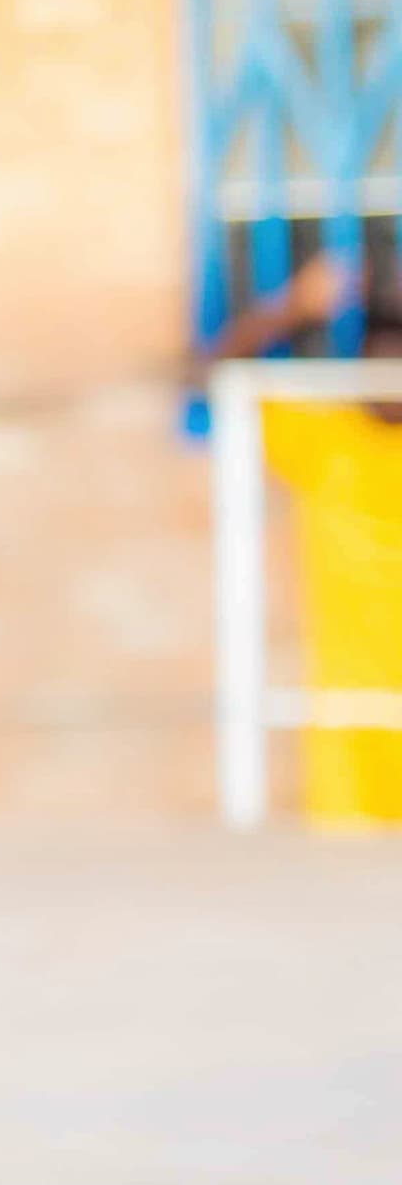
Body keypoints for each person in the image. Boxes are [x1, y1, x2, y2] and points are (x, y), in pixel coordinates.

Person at [199, 248, 402, 829]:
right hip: (351, 721)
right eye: (381, 349)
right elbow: (210, 377)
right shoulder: (328, 440)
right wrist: (292, 308)